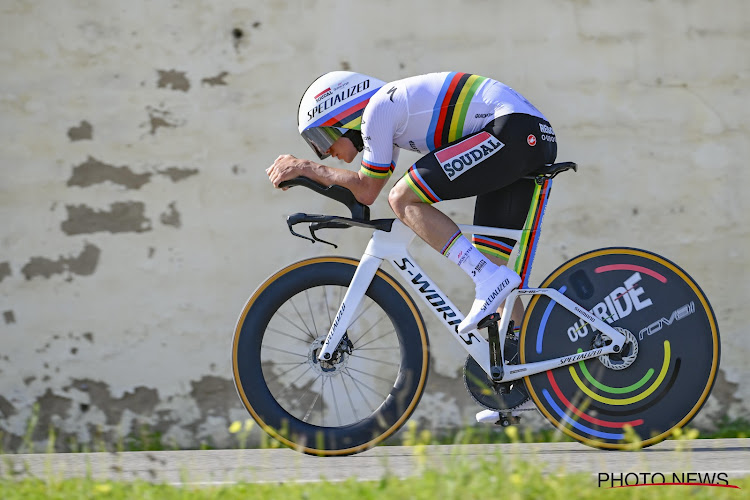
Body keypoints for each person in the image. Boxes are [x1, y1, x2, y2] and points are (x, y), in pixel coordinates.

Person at [266, 71, 557, 333]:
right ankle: (525, 360)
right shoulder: (389, 124)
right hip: (525, 134)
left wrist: (306, 167)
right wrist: (312, 174)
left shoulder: (379, 107)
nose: (326, 151)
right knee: (494, 264)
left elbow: (366, 189)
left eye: (322, 136)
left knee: (403, 197)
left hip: (514, 130)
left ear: (344, 115)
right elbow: (366, 191)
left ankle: (483, 276)